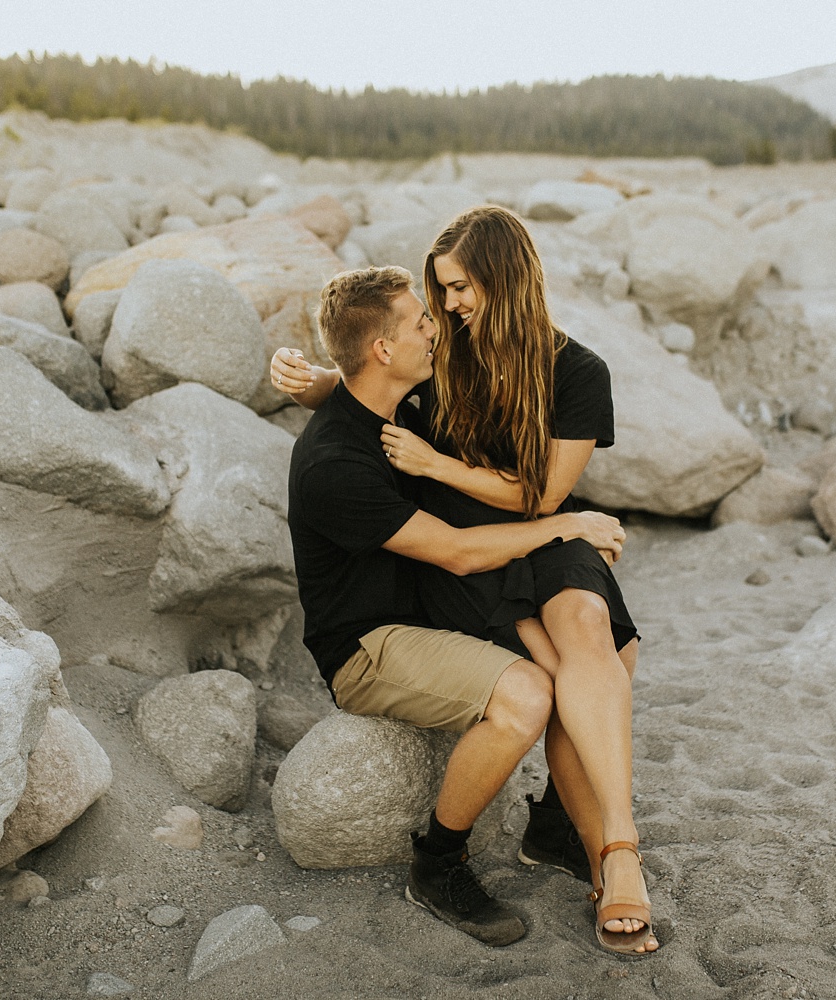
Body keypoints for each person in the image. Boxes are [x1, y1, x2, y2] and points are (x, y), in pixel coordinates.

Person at [273, 208, 657, 956]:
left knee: (600, 645)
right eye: (437, 295)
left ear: (503, 279)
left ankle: (589, 837)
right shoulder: (445, 354)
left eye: (458, 289)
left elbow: (543, 498)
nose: (446, 309)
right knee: (561, 680)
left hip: (531, 522)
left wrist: (435, 461)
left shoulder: (578, 373)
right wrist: (327, 379)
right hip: (467, 552)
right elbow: (375, 382)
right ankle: (603, 853)